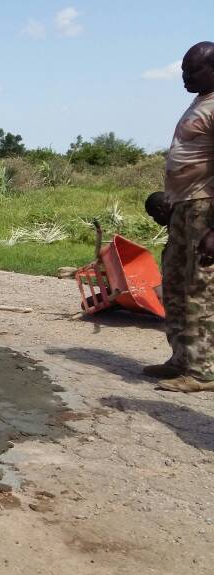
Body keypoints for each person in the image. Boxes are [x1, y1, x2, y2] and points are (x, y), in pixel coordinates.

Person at [146, 42, 214, 392]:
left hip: (205, 208)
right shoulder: (199, 102)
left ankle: (203, 371)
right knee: (174, 284)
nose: (185, 77)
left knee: (199, 287)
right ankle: (181, 358)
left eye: (193, 70)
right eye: (183, 71)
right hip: (183, 207)